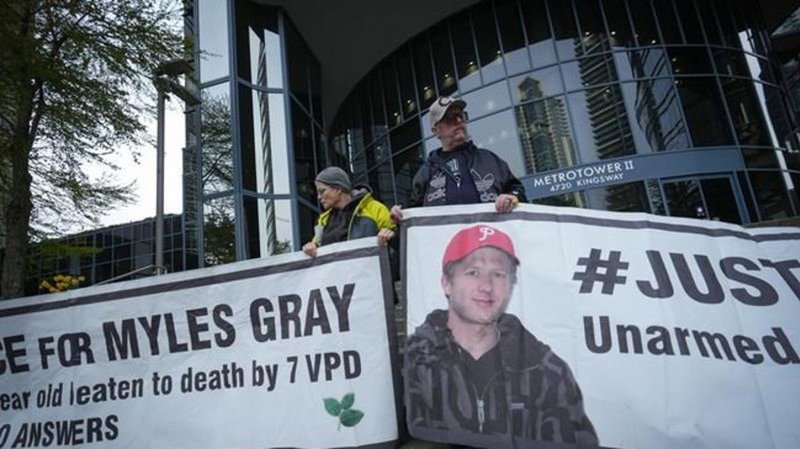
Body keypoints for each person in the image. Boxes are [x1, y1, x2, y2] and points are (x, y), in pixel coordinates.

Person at [404, 225, 598, 447]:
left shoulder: (547, 370)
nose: (487, 286)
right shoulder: (414, 362)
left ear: (511, 285)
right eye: (473, 272)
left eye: (498, 274)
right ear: (447, 283)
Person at [390, 96, 527, 222]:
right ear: (435, 131)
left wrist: (512, 197)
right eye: (451, 118)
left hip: (489, 237)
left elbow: (518, 191)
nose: (459, 121)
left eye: (461, 116)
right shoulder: (426, 172)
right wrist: (399, 216)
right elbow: (412, 216)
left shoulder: (490, 159)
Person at [302, 166, 395, 257]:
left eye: (322, 191)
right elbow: (316, 245)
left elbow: (397, 239)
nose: (319, 197)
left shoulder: (375, 208)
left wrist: (390, 236)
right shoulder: (323, 220)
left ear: (338, 189)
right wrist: (311, 248)